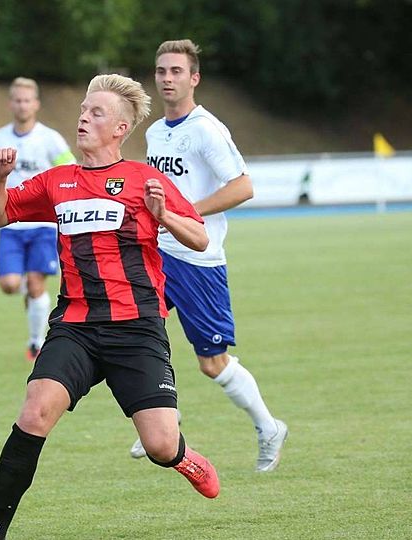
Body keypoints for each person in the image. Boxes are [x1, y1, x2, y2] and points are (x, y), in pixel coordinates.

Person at [0, 74, 218, 540]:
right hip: (77, 326)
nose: (83, 117)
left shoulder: (146, 179)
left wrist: (163, 214)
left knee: (160, 445)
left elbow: (201, 238)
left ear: (121, 128)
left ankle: (183, 457)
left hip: (137, 326)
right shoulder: (57, 181)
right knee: (35, 412)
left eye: (96, 113)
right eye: (83, 109)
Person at [128, 39, 288, 472]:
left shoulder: (207, 130)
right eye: (161, 71)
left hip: (199, 260)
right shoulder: (156, 132)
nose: (166, 79)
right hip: (158, 254)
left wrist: (186, 213)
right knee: (139, 330)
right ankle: (165, 422)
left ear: (194, 78)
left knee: (211, 363)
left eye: (176, 71)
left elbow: (243, 186)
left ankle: (269, 426)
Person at [0, 77, 76, 360]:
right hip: (10, 222)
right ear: (10, 103)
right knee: (9, 284)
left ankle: (36, 342)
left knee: (37, 283)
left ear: (36, 104)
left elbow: (71, 169)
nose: (22, 105)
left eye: (27, 100)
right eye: (17, 100)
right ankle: (30, 289)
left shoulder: (50, 138)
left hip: (42, 225)